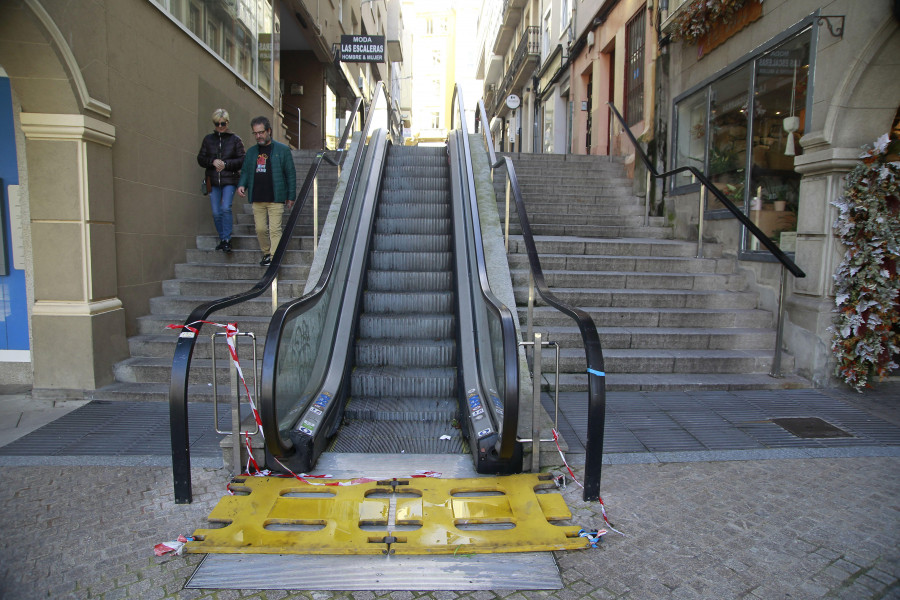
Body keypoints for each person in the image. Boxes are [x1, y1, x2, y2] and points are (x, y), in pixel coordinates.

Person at [237, 116, 296, 266]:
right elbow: (245, 171)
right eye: (255, 133)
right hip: (257, 197)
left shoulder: (282, 150)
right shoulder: (251, 153)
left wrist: (291, 196)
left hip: (275, 197)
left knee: (275, 229)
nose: (258, 136)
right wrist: (242, 184)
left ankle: (274, 257)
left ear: (269, 131)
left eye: (261, 132)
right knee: (261, 229)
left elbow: (290, 173)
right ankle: (266, 253)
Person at [197, 109, 245, 253]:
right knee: (216, 212)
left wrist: (226, 164)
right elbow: (200, 158)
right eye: (217, 124)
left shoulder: (235, 139)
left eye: (223, 123)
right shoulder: (208, 139)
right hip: (213, 180)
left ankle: (226, 240)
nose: (220, 126)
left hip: (229, 179)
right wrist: (212, 161)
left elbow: (243, 159)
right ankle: (223, 237)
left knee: (225, 208)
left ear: (227, 122)